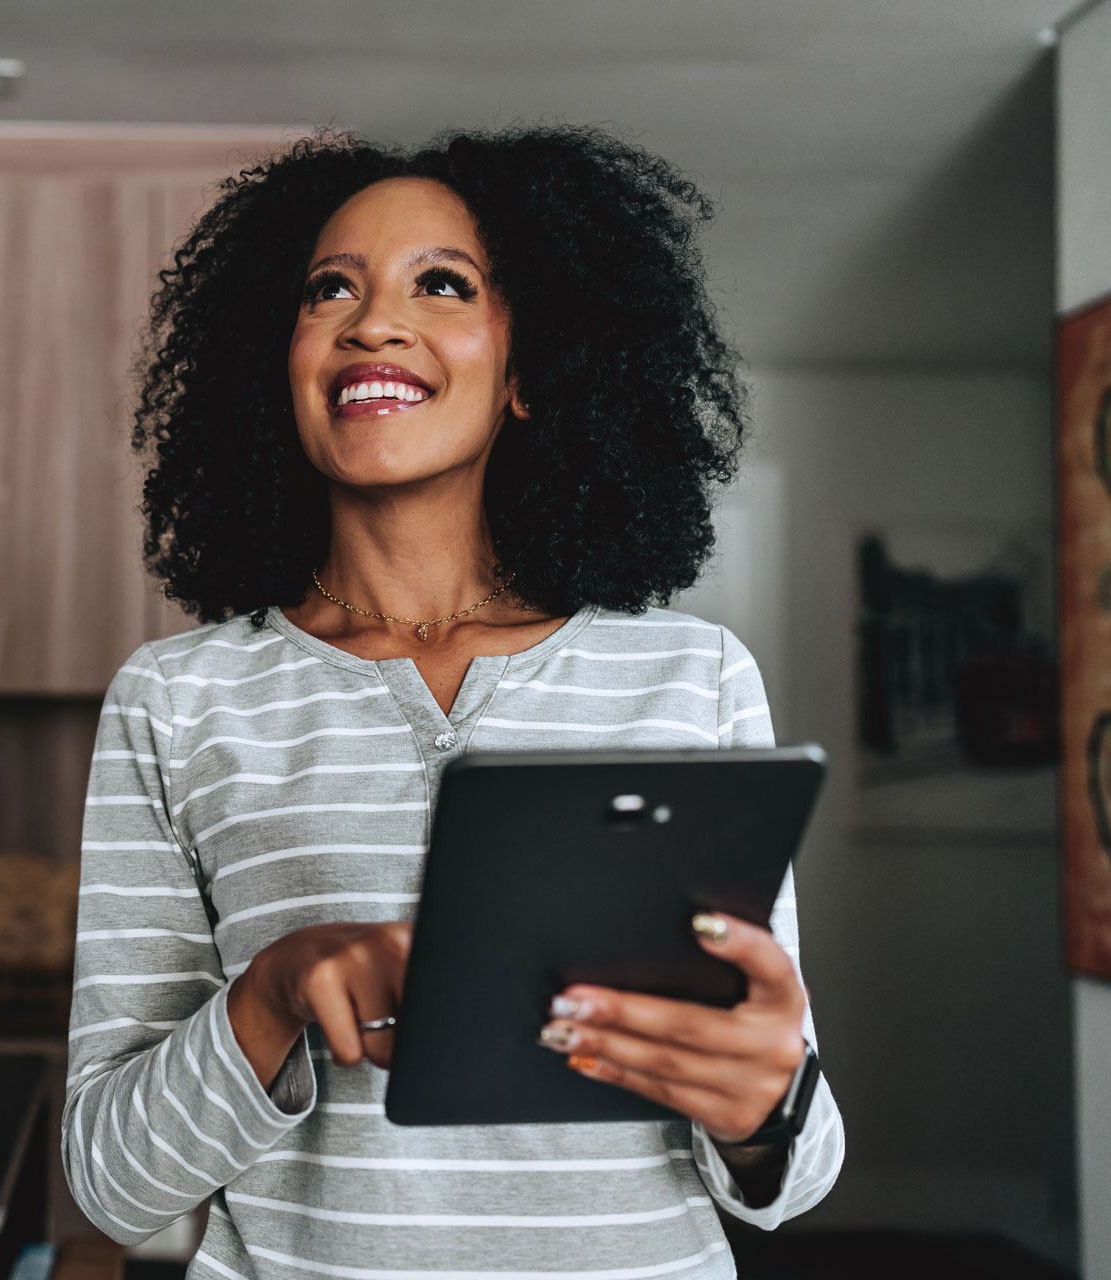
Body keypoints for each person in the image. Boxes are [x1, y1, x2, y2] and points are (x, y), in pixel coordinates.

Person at [62, 126, 844, 1278]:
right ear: (276, 366)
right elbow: (113, 1186)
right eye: (330, 288)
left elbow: (796, 1173)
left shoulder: (693, 675)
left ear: (529, 370)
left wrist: (766, 1100)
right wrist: (273, 992)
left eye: (442, 283)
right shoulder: (179, 699)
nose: (372, 320)